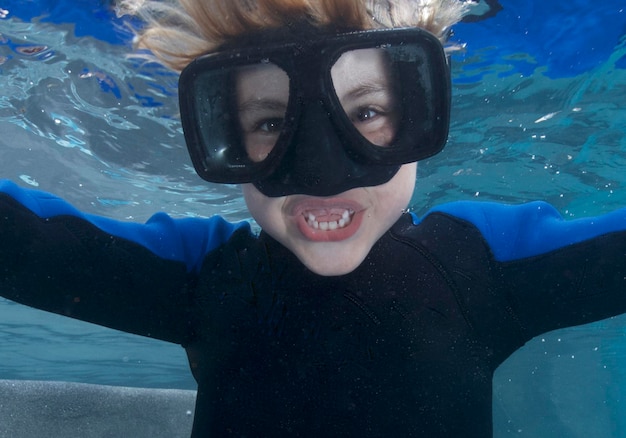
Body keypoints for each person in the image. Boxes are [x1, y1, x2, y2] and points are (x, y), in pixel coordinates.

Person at [1, 0, 625, 436]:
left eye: (367, 114)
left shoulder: (480, 264)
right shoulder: (205, 275)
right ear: (226, 138)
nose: (324, 171)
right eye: (271, 124)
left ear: (420, 112)